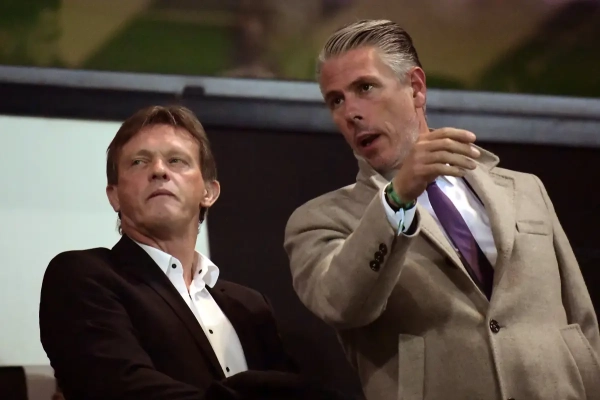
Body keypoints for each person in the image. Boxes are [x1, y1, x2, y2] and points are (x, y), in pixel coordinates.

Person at [284, 19, 600, 400]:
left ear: (416, 88)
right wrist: (396, 199)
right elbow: (341, 304)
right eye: (336, 100)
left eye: (364, 88)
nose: (350, 112)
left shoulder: (525, 189)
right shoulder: (319, 221)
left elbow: (581, 320)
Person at [39, 105, 351, 400]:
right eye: (139, 162)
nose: (158, 170)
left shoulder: (250, 306)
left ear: (208, 192)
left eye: (176, 160)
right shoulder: (83, 276)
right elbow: (119, 388)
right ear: (115, 196)